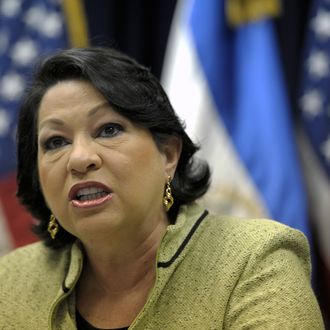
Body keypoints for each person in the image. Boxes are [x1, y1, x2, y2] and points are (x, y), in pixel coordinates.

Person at [0, 47, 324, 330]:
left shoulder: (255, 259)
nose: (80, 159)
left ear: (168, 154)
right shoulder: (10, 281)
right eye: (56, 142)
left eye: (108, 129)